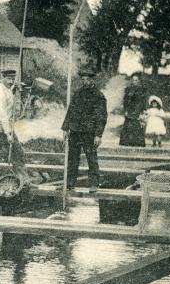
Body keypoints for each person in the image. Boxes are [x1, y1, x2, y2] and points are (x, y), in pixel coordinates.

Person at [61, 65, 108, 193]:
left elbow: (102, 117)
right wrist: (65, 128)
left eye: (87, 79)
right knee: (72, 158)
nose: (85, 82)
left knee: (91, 158)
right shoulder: (78, 93)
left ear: (92, 80)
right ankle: (70, 183)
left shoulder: (98, 96)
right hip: (75, 131)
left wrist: (98, 135)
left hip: (89, 133)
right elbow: (70, 111)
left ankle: (94, 184)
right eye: (83, 79)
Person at [0, 68, 29, 188]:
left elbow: (11, 107)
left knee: (17, 152)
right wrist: (9, 134)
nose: (10, 81)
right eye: (8, 79)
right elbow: (2, 115)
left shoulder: (8, 90)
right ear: (2, 78)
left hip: (7, 128)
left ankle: (23, 180)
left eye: (12, 79)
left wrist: (16, 93)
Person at [119, 72, 146, 147]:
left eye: (136, 80)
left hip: (137, 108)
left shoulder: (141, 90)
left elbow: (143, 101)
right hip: (129, 108)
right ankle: (127, 141)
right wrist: (125, 110)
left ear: (139, 81)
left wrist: (142, 110)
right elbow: (125, 100)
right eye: (133, 80)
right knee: (128, 124)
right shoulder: (128, 89)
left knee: (136, 125)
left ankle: (137, 142)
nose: (134, 82)